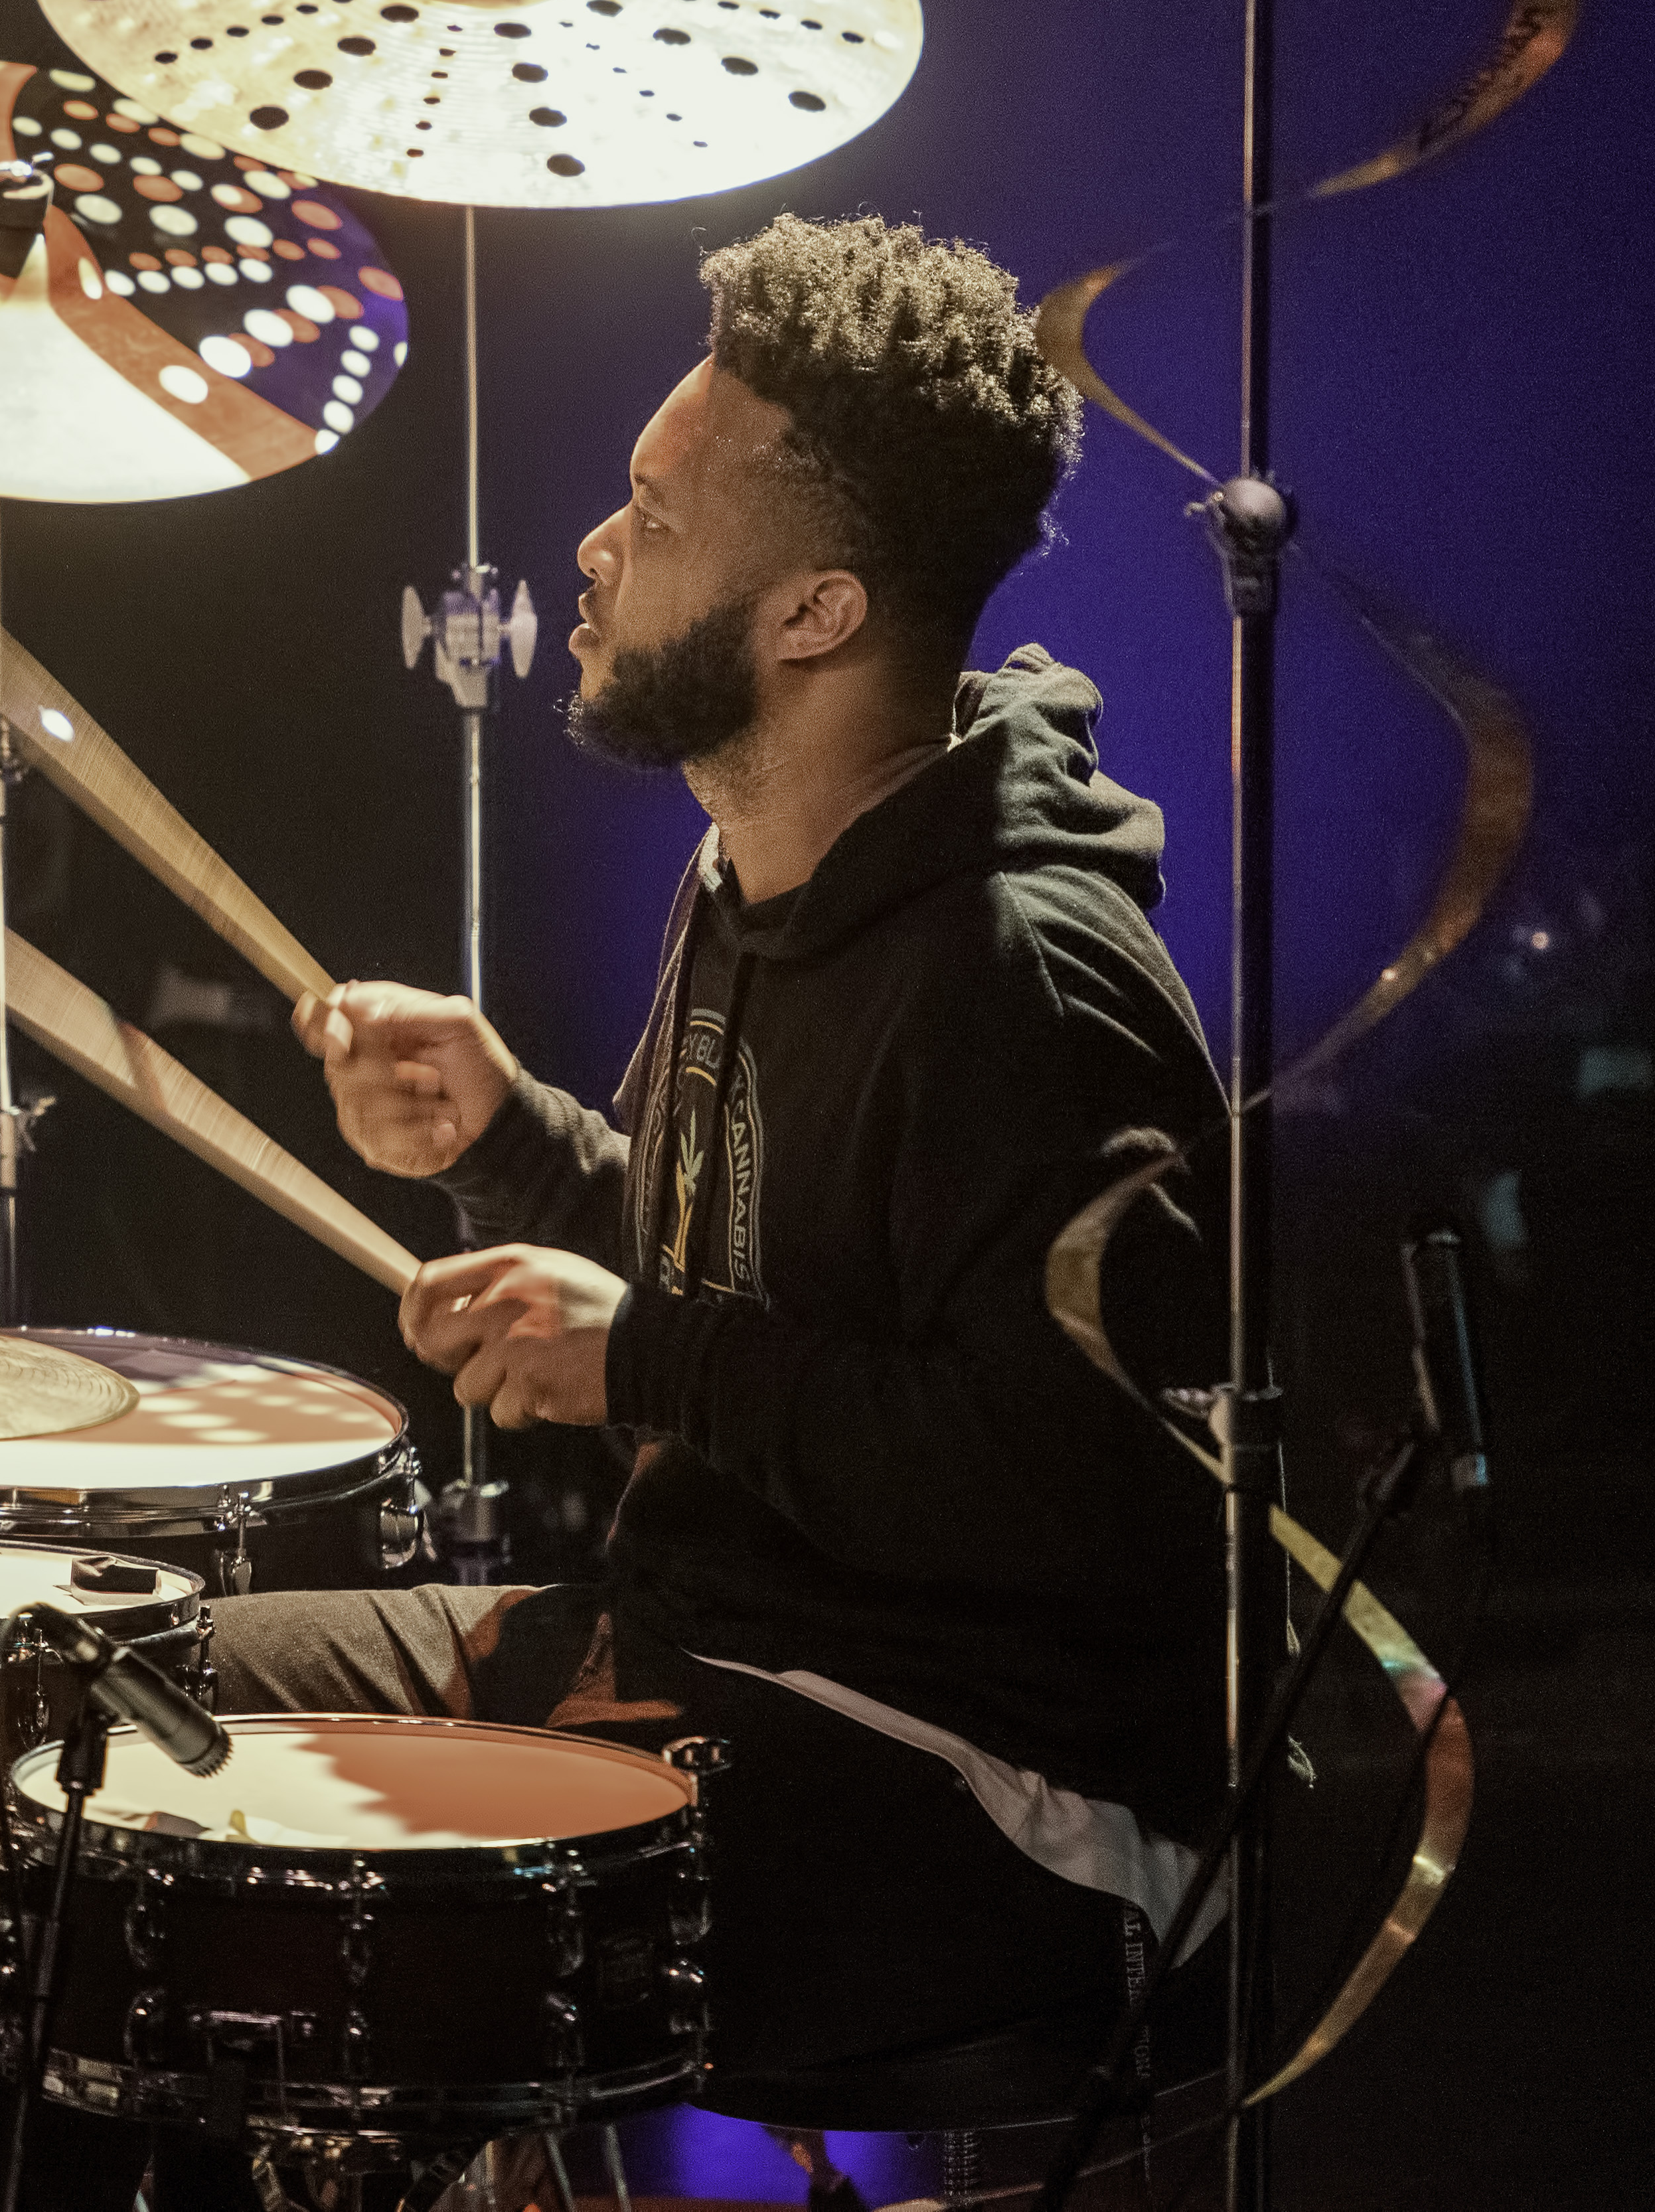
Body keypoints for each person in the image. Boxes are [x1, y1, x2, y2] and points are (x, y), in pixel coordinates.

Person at [210, 210, 1231, 2084]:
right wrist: (514, 1147)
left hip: (991, 1777)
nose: (596, 548)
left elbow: (1066, 1492)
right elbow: (771, 1279)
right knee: (145, 1725)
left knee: (234, 1895)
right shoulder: (753, 877)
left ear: (815, 611)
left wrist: (644, 1352)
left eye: (657, 513)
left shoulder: (1028, 974)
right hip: (732, 1641)